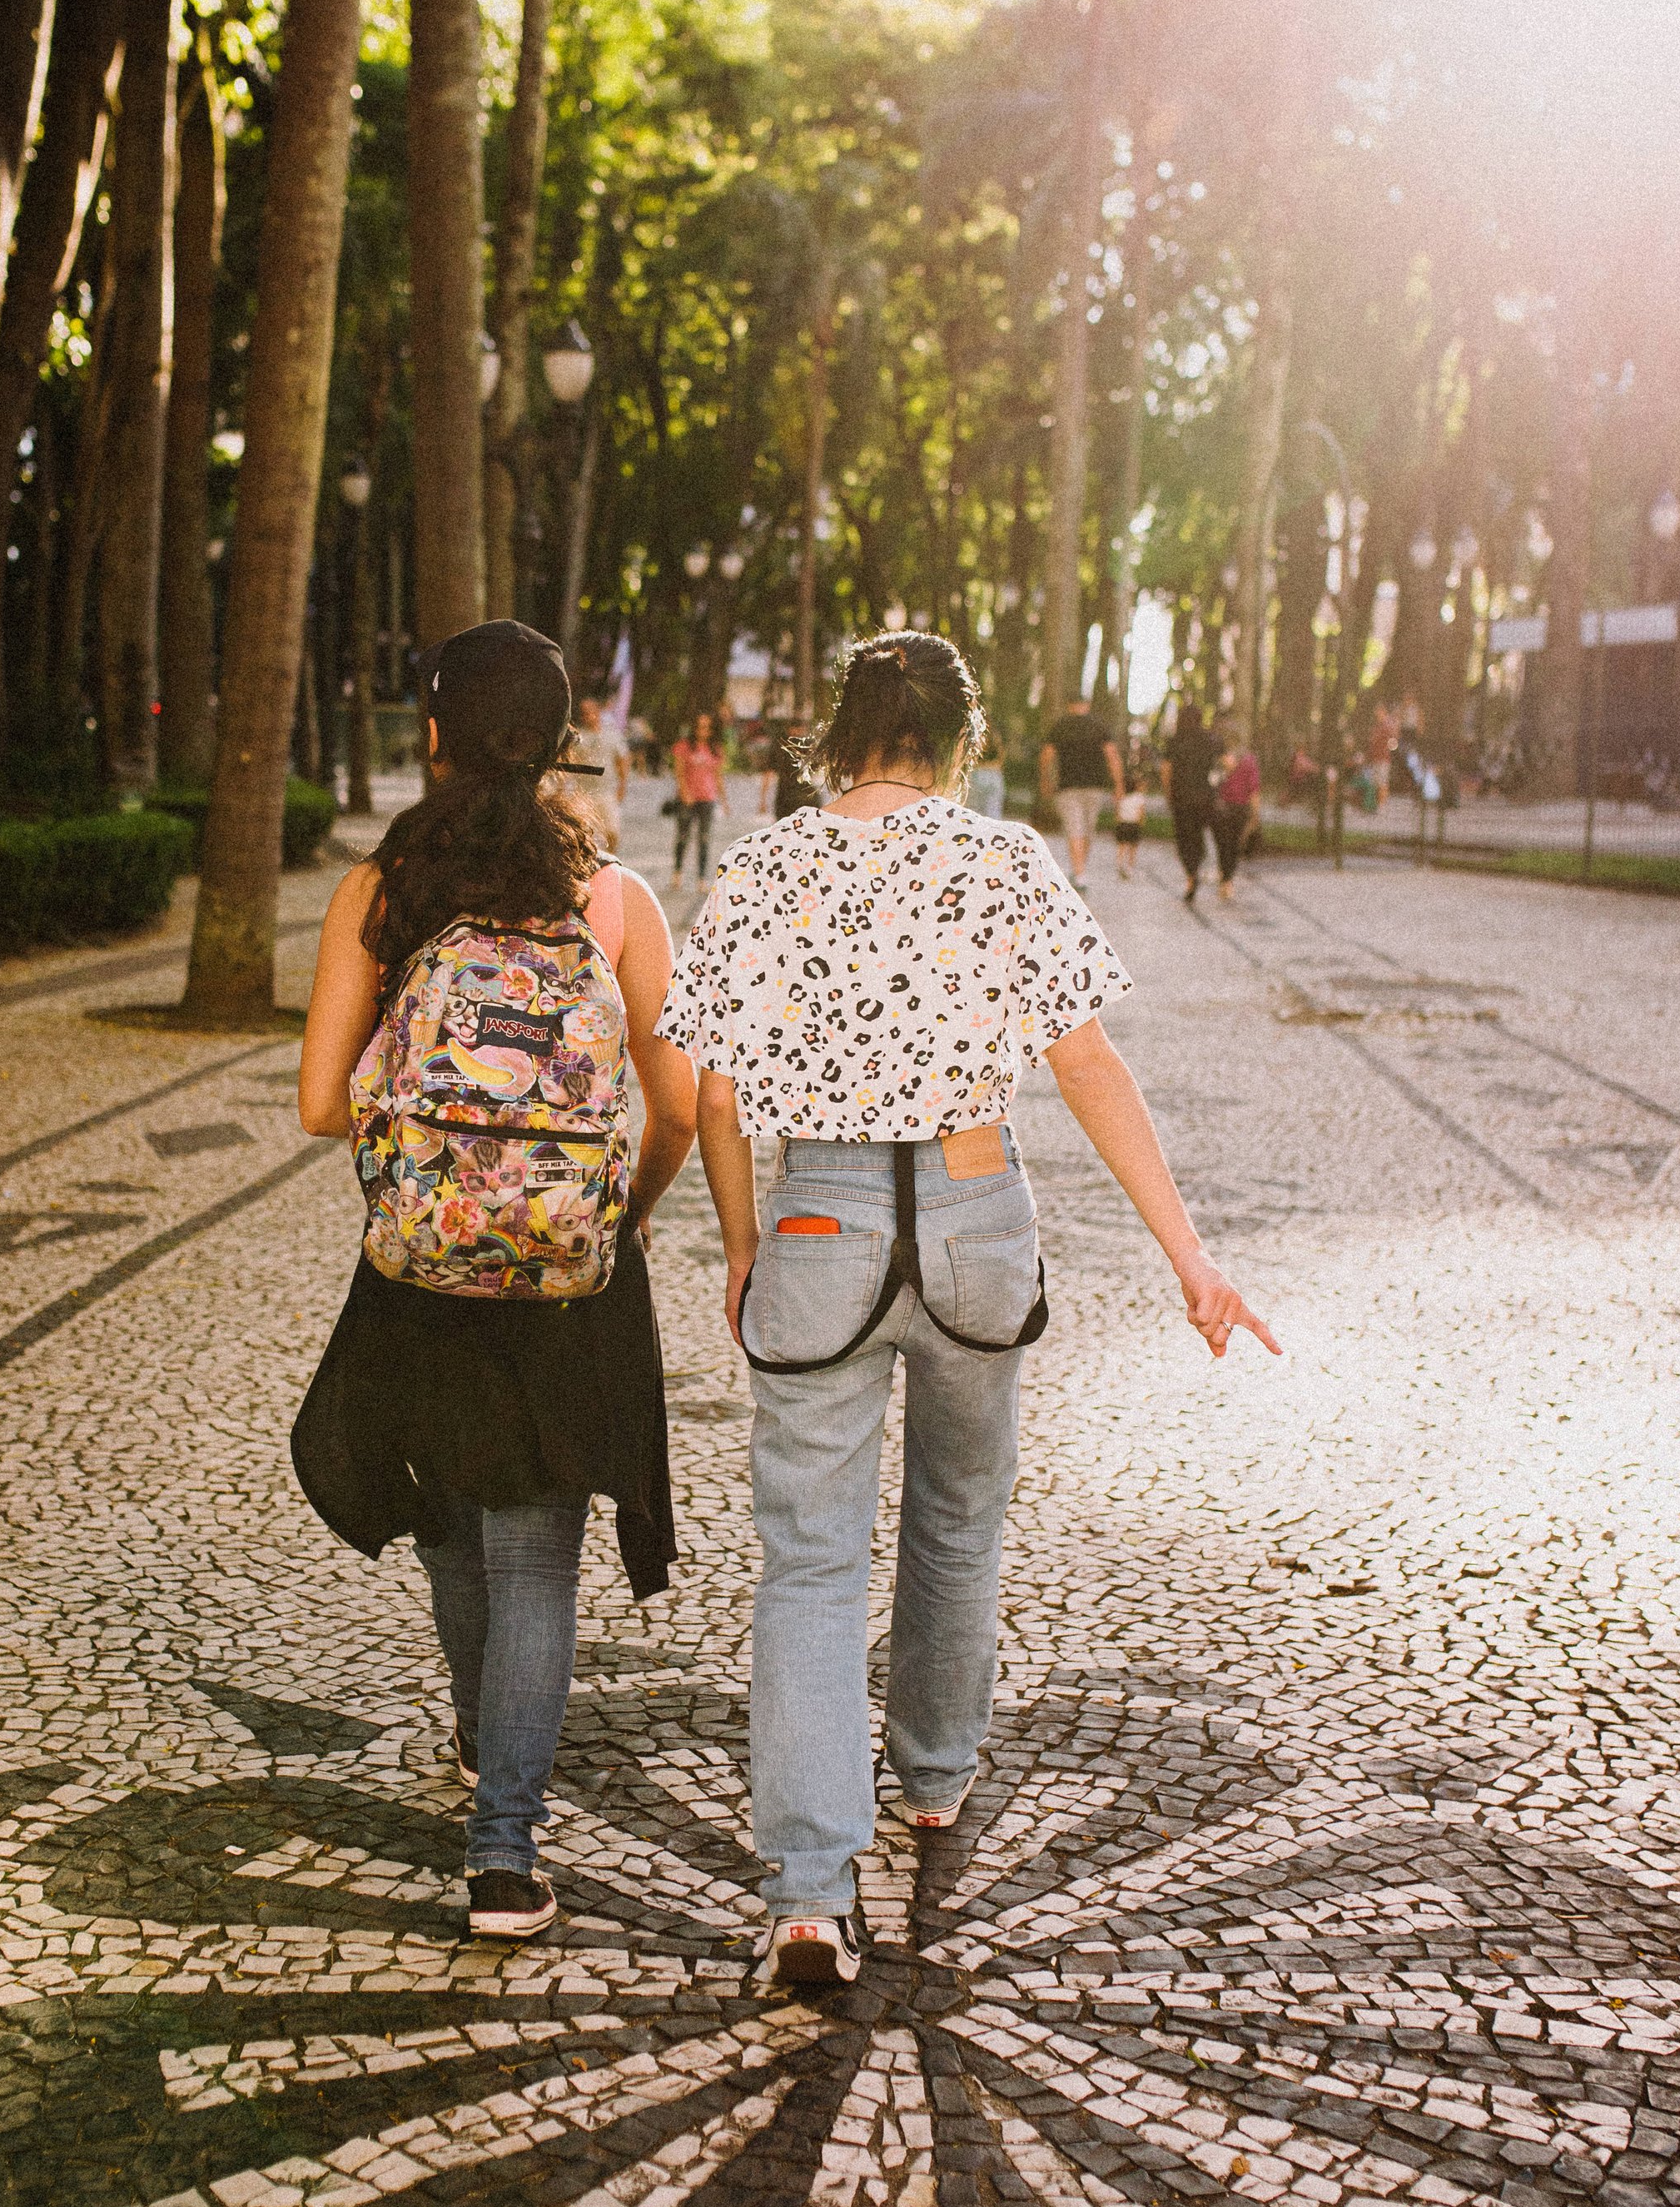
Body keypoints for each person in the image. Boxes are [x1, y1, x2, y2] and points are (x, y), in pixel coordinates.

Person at [659, 632, 1279, 1989]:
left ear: (842, 733)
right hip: (976, 1215)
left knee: (811, 1564)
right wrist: (1190, 1257)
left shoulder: (769, 863)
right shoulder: (1004, 861)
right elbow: (1090, 1062)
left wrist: (745, 1244)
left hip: (819, 1219)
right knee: (957, 1520)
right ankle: (933, 1777)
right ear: (957, 744)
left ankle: (812, 1893)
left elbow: (707, 1087)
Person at [292, 621, 698, 1941]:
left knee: (455, 1518)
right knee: (538, 1550)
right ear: (561, 738)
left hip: (423, 1266)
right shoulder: (617, 899)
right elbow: (683, 1104)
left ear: (434, 736)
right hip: (571, 1274)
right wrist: (613, 1209)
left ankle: (480, 1729)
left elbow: (315, 1102)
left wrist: (437, 1143)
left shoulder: (385, 885)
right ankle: (506, 1856)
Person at [1039, 697, 1124, 884]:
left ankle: (1079, 871)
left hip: (1067, 787)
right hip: (1094, 787)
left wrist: (1045, 780)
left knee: (1074, 828)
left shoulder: (1060, 726)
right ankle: (1080, 871)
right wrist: (1118, 784)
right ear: (1087, 705)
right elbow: (1112, 756)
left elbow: (1046, 756)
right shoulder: (1099, 726)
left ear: (1070, 706)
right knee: (1087, 829)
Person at [1164, 702, 1215, 903]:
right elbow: (1224, 763)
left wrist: (1168, 792)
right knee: (1198, 832)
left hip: (1181, 796)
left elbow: (1166, 770)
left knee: (1184, 836)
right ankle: (1198, 862)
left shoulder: (1175, 741)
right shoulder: (1209, 740)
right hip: (1204, 795)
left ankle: (1191, 873)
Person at [565, 692, 629, 852]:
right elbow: (570, 761)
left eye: (590, 711)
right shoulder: (577, 737)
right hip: (585, 793)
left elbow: (622, 759)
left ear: (598, 711)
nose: (587, 716)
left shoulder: (611, 734)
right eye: (584, 713)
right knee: (586, 833)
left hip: (607, 791)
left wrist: (622, 785)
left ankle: (611, 859)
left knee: (613, 832)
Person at [671, 709, 728, 882]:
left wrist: (724, 800)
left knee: (704, 838)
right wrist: (684, 792)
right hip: (688, 798)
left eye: (707, 727)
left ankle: (701, 877)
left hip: (707, 798)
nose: (703, 730)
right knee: (683, 836)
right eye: (700, 727)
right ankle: (678, 872)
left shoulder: (715, 749)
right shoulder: (684, 746)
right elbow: (679, 772)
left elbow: (718, 777)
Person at [1210, 737, 1261, 902]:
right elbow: (1253, 788)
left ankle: (1225, 878)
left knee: (1224, 845)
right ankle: (1227, 880)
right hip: (1239, 808)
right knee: (1232, 846)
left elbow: (1212, 782)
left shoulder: (1220, 759)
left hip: (1221, 807)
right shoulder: (1249, 760)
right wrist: (1255, 813)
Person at [1113, 735, 1148, 879]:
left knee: (1122, 845)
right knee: (1133, 847)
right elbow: (1141, 812)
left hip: (1122, 823)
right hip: (1134, 824)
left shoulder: (1123, 798)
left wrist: (1117, 819)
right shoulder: (1139, 798)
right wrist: (1141, 821)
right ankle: (1130, 865)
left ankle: (1120, 864)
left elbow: (1117, 810)